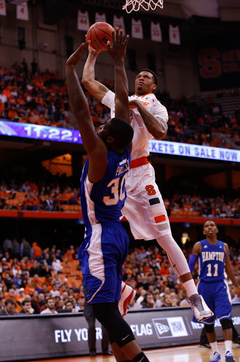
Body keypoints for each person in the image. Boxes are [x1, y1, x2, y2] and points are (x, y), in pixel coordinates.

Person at [81, 36, 213, 323]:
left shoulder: (154, 105)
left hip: (142, 176)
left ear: (153, 86)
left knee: (165, 236)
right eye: (137, 75)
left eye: (146, 77)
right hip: (118, 174)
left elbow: (162, 131)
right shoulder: (121, 99)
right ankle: (122, 291)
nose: (140, 79)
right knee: (103, 233)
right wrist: (92, 54)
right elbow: (89, 83)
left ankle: (194, 296)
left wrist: (137, 107)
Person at [66, 29, 150, 362]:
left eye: (103, 130)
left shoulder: (101, 155)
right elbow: (121, 104)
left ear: (110, 141)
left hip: (101, 234)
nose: (99, 128)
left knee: (102, 309)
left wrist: (70, 70)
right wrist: (118, 62)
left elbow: (81, 111)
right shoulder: (124, 148)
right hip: (118, 232)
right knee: (108, 307)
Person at [188, 220, 240, 362]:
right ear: (204, 231)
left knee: (225, 319)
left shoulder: (224, 246)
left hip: (220, 286)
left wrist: (236, 285)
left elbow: (228, 267)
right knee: (208, 323)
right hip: (203, 287)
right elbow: (190, 266)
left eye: (212, 226)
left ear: (217, 230)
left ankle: (229, 352)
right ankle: (216, 353)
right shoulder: (198, 245)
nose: (209, 227)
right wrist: (186, 284)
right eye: (206, 226)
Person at [83, 286, 111, 357]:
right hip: (90, 306)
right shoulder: (87, 278)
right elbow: (87, 294)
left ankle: (105, 350)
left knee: (105, 328)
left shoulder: (102, 278)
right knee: (91, 327)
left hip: (102, 306)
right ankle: (92, 350)